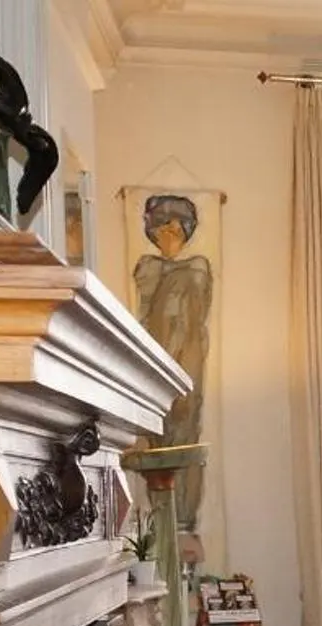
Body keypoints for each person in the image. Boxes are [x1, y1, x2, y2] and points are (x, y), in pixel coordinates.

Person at [134, 194, 214, 530]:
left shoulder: (197, 268)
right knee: (157, 436)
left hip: (188, 362)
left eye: (178, 228)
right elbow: (145, 313)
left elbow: (197, 317)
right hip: (155, 362)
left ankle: (183, 520)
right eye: (165, 228)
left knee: (185, 431)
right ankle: (164, 520)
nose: (171, 235)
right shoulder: (147, 268)